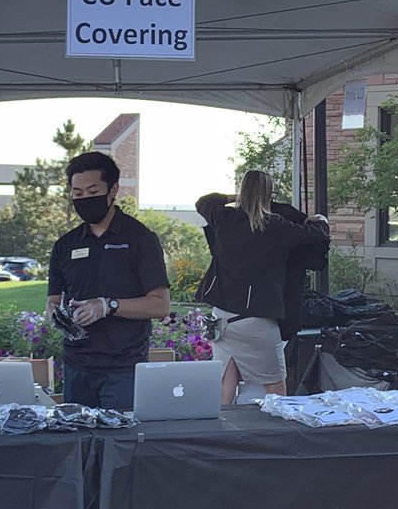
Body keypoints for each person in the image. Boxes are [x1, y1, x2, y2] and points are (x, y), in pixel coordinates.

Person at [47, 152, 170, 410]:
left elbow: (160, 305)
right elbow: (54, 300)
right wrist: (57, 315)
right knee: (78, 444)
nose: (84, 199)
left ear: (113, 189)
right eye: (77, 194)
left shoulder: (140, 239)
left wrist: (108, 305)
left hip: (124, 368)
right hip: (76, 366)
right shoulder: (65, 245)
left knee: (120, 444)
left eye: (92, 191)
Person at [196, 171, 329, 404]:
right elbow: (314, 238)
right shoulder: (275, 225)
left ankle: (219, 436)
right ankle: (278, 438)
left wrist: (238, 196)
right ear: (269, 195)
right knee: (277, 391)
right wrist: (321, 221)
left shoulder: (225, 218)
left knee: (225, 389)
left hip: (222, 317)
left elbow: (204, 202)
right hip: (255, 320)